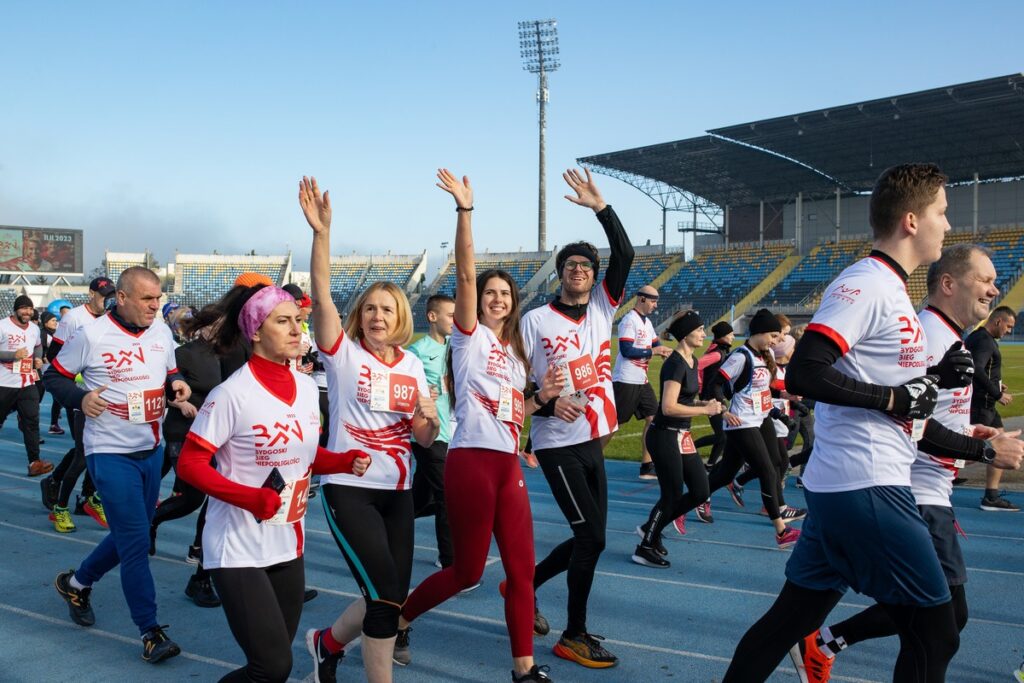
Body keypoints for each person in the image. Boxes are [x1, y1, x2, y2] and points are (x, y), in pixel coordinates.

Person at [720, 163, 1007, 682]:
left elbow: (898, 399)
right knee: (937, 634)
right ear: (912, 220)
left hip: (851, 485)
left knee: (789, 621)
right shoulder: (867, 283)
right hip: (867, 484)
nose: (948, 224)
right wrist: (895, 397)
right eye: (942, 212)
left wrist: (934, 387)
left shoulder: (894, 292)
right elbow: (806, 371)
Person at [788, 244, 1024, 683]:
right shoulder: (930, 333)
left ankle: (822, 642)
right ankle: (822, 643)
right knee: (938, 629)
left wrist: (972, 432)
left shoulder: (945, 334)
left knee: (936, 626)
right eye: (986, 280)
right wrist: (986, 452)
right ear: (949, 284)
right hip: (913, 491)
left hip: (921, 489)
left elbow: (928, 413)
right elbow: (912, 420)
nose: (995, 290)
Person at [398, 169, 562, 682]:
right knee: (467, 572)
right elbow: (466, 276)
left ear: (514, 302)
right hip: (469, 462)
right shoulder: (468, 338)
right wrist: (465, 212)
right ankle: (399, 620)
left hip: (506, 466)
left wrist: (541, 397)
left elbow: (513, 412)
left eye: (505, 294)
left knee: (521, 570)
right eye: (490, 292)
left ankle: (523, 669)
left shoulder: (515, 355)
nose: (497, 299)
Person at [177, 284, 370, 683]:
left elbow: (304, 454)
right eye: (283, 321)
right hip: (237, 547)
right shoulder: (232, 394)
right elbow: (190, 464)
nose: (297, 329)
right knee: (271, 667)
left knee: (273, 667)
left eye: (298, 320)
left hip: (287, 541)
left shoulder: (305, 388)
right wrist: (249, 498)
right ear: (255, 332)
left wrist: (342, 461)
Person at [299, 176, 439, 683]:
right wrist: (321, 234)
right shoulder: (343, 354)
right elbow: (321, 296)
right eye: (371, 308)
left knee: (390, 597)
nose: (378, 316)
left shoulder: (412, 366)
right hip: (350, 488)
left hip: (398, 491)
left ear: (400, 316)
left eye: (388, 309)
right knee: (383, 597)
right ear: (359, 316)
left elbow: (423, 438)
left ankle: (326, 644)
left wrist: (429, 417)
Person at [45, 266, 190, 664]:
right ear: (122, 298)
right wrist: (80, 398)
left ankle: (77, 583)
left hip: (151, 449)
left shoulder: (161, 332)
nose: (155, 305)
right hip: (109, 452)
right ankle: (150, 631)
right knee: (137, 543)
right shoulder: (91, 334)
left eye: (158, 298)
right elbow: (53, 376)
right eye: (147, 298)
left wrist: (177, 383)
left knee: (134, 533)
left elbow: (170, 370)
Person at [520, 167, 634, 669]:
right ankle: (574, 634)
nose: (579, 270)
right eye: (570, 264)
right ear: (561, 273)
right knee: (590, 538)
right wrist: (547, 404)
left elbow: (625, 254)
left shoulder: (603, 308)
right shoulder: (534, 321)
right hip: (555, 441)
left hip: (593, 438)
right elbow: (516, 384)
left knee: (595, 539)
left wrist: (600, 208)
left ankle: (523, 586)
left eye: (587, 265)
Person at [702, 309, 804, 545]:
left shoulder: (767, 354)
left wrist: (783, 396)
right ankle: (781, 530)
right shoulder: (740, 357)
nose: (776, 341)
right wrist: (724, 411)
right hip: (742, 421)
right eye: (773, 336)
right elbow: (715, 386)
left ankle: (697, 495)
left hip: (762, 417)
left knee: (729, 472)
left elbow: (762, 390)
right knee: (767, 471)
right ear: (759, 332)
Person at [632, 310, 722, 568]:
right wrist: (704, 411)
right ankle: (645, 547)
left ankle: (651, 527)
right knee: (671, 495)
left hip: (681, 435)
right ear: (685, 334)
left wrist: (703, 403)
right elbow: (669, 407)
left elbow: (684, 399)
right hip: (664, 435)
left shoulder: (692, 360)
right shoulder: (675, 363)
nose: (704, 334)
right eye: (700, 330)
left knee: (700, 491)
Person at [149, 304, 224, 607]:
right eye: (217, 325)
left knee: (215, 501)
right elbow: (160, 388)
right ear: (204, 326)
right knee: (193, 498)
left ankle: (201, 568)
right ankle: (152, 520)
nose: (221, 330)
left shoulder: (225, 354)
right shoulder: (185, 353)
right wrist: (180, 404)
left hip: (216, 435)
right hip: (183, 433)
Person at [40, 276, 116, 530]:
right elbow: (54, 356)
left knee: (97, 452)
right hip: (79, 395)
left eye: (112, 295)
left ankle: (87, 497)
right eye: (104, 295)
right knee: (83, 453)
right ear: (91, 294)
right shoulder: (74, 318)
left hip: (105, 398)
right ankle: (60, 497)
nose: (108, 300)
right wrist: (80, 375)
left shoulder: (112, 320)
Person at [406, 293, 458, 570]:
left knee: (420, 496)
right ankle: (449, 560)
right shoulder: (417, 351)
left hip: (447, 431)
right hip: (426, 434)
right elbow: (403, 389)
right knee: (447, 495)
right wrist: (420, 394)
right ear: (432, 317)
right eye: (450, 315)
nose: (455, 320)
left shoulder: (455, 347)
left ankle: (394, 522)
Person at [610, 285, 671, 480]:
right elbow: (627, 351)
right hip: (626, 380)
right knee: (614, 424)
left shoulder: (647, 323)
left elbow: (656, 344)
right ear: (642, 299)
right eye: (653, 301)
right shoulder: (629, 321)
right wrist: (653, 352)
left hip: (641, 380)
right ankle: (589, 460)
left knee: (654, 418)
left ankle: (647, 465)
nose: (656, 305)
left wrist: (667, 351)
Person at [966, 305, 1019, 511]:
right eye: (1008, 326)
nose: (1009, 331)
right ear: (998, 321)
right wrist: (997, 394)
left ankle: (991, 496)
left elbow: (980, 370)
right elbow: (976, 369)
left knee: (1000, 444)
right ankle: (928, 474)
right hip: (981, 405)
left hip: (985, 404)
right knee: (968, 450)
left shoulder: (979, 337)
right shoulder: (984, 341)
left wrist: (997, 385)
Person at [0, 295, 50, 476]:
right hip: (4, 384)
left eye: (30, 309)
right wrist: (12, 355)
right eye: (23, 308)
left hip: (27, 383)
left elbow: (37, 346)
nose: (27, 312)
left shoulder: (34, 329)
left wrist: (37, 358)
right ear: (16, 310)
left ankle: (34, 462)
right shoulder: (2, 326)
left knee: (32, 422)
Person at [694, 321, 734, 469]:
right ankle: (689, 447)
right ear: (723, 336)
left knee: (723, 435)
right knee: (722, 435)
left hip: (717, 396)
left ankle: (710, 464)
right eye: (730, 334)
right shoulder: (717, 354)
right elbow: (696, 365)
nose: (733, 337)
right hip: (711, 398)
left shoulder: (722, 351)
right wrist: (699, 386)